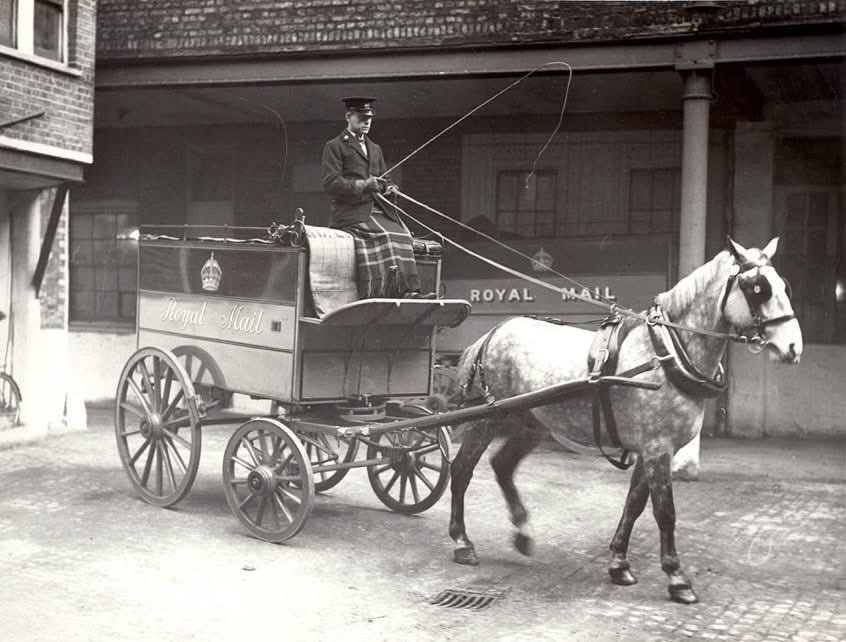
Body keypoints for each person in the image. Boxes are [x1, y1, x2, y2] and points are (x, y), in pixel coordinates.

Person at [321, 96, 435, 299]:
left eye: (369, 118)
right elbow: (331, 184)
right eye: (362, 118)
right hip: (351, 214)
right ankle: (389, 292)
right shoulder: (334, 146)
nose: (366, 122)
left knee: (404, 236)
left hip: (377, 212)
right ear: (348, 117)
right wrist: (363, 185)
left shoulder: (375, 148)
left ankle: (410, 291)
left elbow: (384, 178)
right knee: (389, 237)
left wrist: (389, 188)